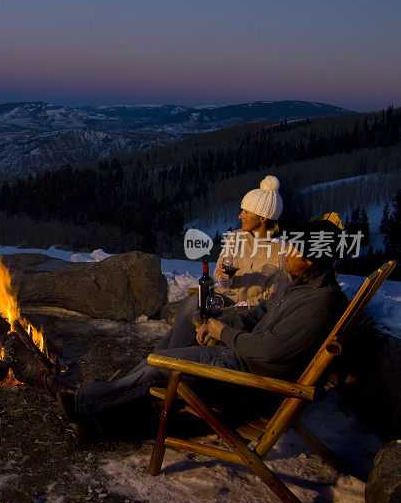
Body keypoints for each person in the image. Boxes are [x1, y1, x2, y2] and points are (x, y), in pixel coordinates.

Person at [46, 218, 348, 434]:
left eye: (293, 250)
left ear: (309, 260)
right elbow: (263, 312)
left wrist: (222, 333)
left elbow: (269, 350)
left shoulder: (318, 301)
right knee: (161, 358)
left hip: (249, 377)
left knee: (160, 365)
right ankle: (109, 397)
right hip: (243, 358)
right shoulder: (300, 286)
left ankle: (83, 402)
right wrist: (222, 321)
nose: (285, 252)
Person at [159, 175, 289, 351]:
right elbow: (220, 274)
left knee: (196, 313)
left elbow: (273, 296)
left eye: (246, 212)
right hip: (221, 298)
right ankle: (163, 355)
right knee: (192, 302)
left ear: (263, 218)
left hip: (246, 308)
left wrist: (242, 304)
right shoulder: (235, 237)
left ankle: (165, 358)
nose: (240, 215)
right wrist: (224, 276)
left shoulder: (280, 251)